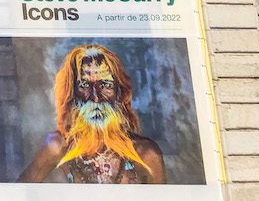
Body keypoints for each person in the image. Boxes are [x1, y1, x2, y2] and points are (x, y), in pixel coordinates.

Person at [18, 44, 166, 184]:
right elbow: (17, 196)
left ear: (119, 92)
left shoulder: (146, 154)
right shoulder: (58, 148)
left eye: (106, 85)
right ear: (72, 94)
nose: (95, 98)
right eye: (84, 85)